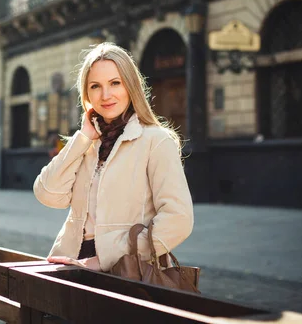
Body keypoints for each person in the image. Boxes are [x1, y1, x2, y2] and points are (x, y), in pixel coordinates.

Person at [34, 42, 194, 273]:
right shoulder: (88, 143)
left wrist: (107, 259)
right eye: (95, 86)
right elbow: (48, 194)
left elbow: (178, 219)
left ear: (130, 86)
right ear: (86, 93)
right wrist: (83, 137)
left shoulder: (156, 141)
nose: (106, 95)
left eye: (115, 83)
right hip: (72, 265)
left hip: (129, 270)